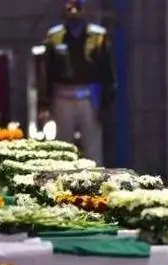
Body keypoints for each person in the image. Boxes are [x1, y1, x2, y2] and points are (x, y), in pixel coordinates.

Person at [38, 0, 114, 165]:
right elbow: (46, 73)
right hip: (62, 97)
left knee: (93, 150)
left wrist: (106, 104)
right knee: (62, 149)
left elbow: (107, 73)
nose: (73, 11)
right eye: (69, 7)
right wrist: (44, 105)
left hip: (89, 97)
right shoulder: (54, 37)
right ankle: (60, 186)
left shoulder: (98, 36)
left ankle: (94, 187)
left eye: (77, 7)